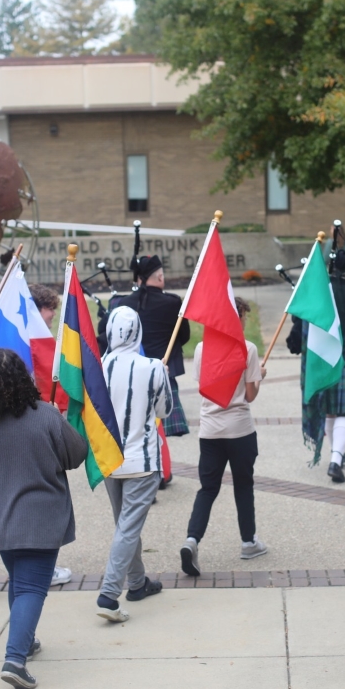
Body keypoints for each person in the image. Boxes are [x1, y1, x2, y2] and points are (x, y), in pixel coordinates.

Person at [0, 349, 87, 689]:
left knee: (19, 581)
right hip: (41, 518)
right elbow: (76, 454)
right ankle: (15, 659)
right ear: (24, 379)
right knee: (32, 587)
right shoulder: (45, 415)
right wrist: (61, 421)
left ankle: (26, 641)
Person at [0, 282, 73, 589]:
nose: (50, 324)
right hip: (32, 427)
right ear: (35, 309)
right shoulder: (29, 341)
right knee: (29, 497)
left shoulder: (4, 340)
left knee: (4, 494)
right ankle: (41, 570)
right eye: (49, 316)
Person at [180, 297, 267, 577]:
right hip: (240, 429)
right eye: (242, 317)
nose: (244, 323)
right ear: (236, 317)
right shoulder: (248, 349)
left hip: (210, 430)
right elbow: (250, 396)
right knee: (243, 485)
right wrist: (258, 377)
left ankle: (192, 539)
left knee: (208, 488)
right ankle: (248, 542)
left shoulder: (203, 349)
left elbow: (204, 388)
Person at [96, 306, 173, 622]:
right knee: (128, 527)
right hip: (141, 459)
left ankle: (138, 583)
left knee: (125, 526)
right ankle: (109, 594)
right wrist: (161, 378)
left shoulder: (98, 366)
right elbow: (164, 411)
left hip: (108, 459)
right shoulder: (153, 367)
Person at [99, 255, 191, 489]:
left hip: (125, 372)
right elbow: (184, 336)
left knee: (129, 422)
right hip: (161, 370)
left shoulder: (122, 304)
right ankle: (155, 472)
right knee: (153, 424)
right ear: (159, 276)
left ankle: (136, 470)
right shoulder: (172, 303)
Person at [291, 249, 345, 482]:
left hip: (322, 360)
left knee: (329, 410)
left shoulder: (316, 295)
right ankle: (336, 459)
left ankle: (335, 454)